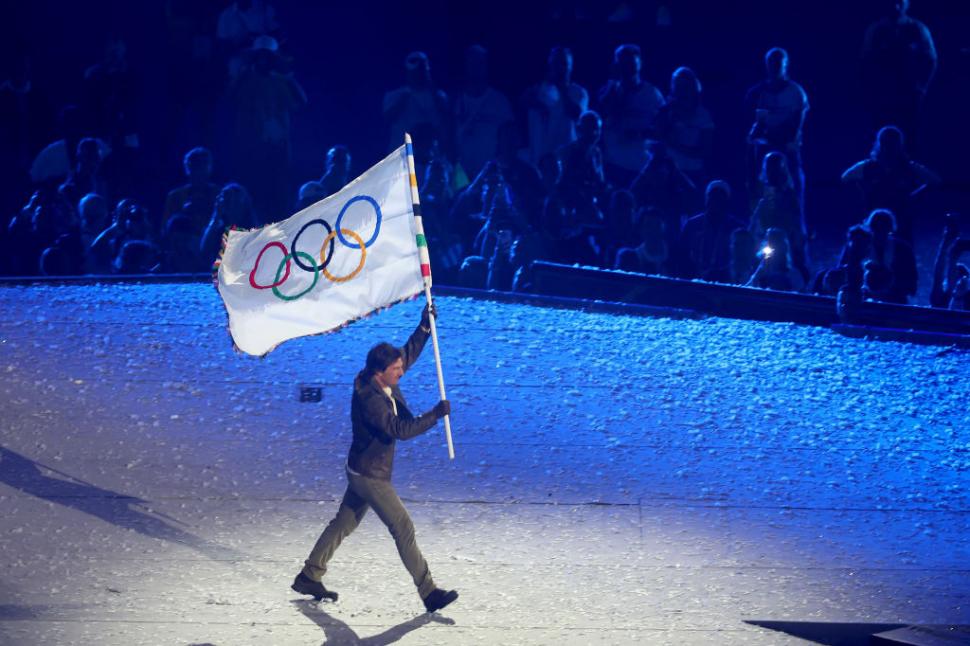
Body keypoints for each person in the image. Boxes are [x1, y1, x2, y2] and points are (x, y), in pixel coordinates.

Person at [292, 303, 458, 614]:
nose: (401, 372)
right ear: (380, 373)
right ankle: (429, 591)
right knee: (403, 528)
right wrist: (434, 415)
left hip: (360, 468)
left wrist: (424, 327)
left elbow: (406, 355)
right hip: (370, 475)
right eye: (395, 370)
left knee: (343, 522)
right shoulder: (370, 400)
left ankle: (309, 575)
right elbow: (400, 429)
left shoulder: (379, 377)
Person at [861, 0, 936, 151]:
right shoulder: (877, 30)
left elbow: (931, 58)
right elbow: (866, 60)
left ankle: (909, 167)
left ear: (907, 3)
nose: (895, 6)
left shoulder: (917, 29)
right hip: (883, 93)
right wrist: (871, 88)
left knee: (911, 134)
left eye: (899, 2)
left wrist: (922, 87)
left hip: (909, 93)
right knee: (881, 132)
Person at [745, 47, 809, 212]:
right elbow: (753, 121)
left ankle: (798, 228)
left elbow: (796, 125)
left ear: (785, 65)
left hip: (787, 149)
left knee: (794, 187)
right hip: (764, 149)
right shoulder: (757, 92)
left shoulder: (795, 92)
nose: (774, 67)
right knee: (758, 186)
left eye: (778, 64)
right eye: (771, 63)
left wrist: (780, 136)